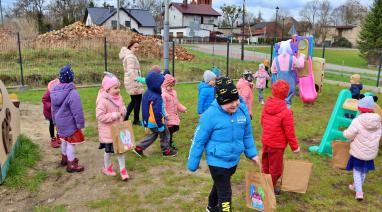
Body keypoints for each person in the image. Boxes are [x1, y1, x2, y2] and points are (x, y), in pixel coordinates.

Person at [188, 77, 260, 212]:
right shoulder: (209, 115)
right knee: (226, 194)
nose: (234, 104)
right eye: (229, 102)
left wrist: (252, 154)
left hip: (233, 160)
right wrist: (193, 162)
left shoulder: (242, 112)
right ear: (220, 101)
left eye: (236, 99)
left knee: (220, 184)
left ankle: (211, 206)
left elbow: (247, 135)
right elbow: (198, 141)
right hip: (217, 161)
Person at [261, 80, 300, 194]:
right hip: (277, 145)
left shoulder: (267, 106)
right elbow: (290, 132)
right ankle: (269, 188)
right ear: (286, 94)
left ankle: (265, 182)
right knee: (276, 169)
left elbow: (262, 122)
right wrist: (295, 147)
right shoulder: (286, 112)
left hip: (266, 141)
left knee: (266, 164)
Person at [343, 95, 381, 201]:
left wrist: (344, 133)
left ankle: (359, 192)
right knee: (364, 171)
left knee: (357, 171)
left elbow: (349, 134)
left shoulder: (357, 121)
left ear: (360, 109)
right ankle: (356, 186)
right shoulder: (378, 122)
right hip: (370, 152)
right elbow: (378, 135)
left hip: (358, 152)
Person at [133, 72, 177, 157]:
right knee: (165, 133)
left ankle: (139, 148)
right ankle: (166, 151)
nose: (162, 85)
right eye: (161, 84)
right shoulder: (156, 97)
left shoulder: (148, 92)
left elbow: (147, 81)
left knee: (153, 135)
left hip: (149, 121)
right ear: (156, 85)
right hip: (156, 122)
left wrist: (145, 121)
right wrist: (160, 125)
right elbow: (157, 113)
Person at [50, 64, 85, 173]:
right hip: (70, 123)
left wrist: (55, 122)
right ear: (71, 78)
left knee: (64, 140)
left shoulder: (54, 92)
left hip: (60, 123)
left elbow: (53, 110)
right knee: (71, 143)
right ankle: (71, 164)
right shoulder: (72, 93)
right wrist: (80, 124)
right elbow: (77, 111)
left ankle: (64, 159)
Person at [96, 72, 129, 180]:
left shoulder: (119, 97)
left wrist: (123, 110)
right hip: (109, 132)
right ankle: (107, 168)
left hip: (119, 130)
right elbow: (100, 116)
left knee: (121, 151)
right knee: (108, 152)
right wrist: (114, 115)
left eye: (118, 87)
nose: (118, 90)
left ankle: (123, 171)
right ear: (107, 89)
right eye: (115, 88)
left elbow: (122, 106)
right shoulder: (102, 101)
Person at [271, 41, 305, 108]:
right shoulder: (292, 58)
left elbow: (273, 70)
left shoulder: (276, 59)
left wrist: (278, 70)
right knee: (288, 102)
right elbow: (301, 65)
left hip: (279, 85)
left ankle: (279, 114)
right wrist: (302, 57)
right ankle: (286, 115)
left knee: (279, 101)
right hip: (289, 85)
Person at [119, 40, 144, 125]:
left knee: (136, 100)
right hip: (133, 81)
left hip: (132, 81)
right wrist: (138, 79)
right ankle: (129, 119)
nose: (137, 49)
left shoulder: (130, 56)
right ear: (130, 47)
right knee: (135, 101)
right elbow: (130, 71)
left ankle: (131, 119)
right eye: (135, 47)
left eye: (138, 47)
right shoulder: (130, 57)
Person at [161, 74, 187, 150]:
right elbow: (163, 107)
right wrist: (166, 115)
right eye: (170, 85)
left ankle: (169, 143)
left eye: (172, 86)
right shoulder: (164, 95)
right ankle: (167, 145)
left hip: (174, 115)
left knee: (172, 130)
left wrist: (183, 109)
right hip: (168, 116)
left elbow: (177, 103)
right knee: (168, 131)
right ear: (165, 84)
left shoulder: (174, 92)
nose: (171, 87)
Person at [42, 78, 60, 148]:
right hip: (50, 112)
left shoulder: (61, 91)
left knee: (59, 124)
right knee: (52, 124)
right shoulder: (48, 92)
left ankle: (59, 135)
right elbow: (44, 99)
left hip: (57, 111)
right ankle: (53, 138)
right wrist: (51, 106)